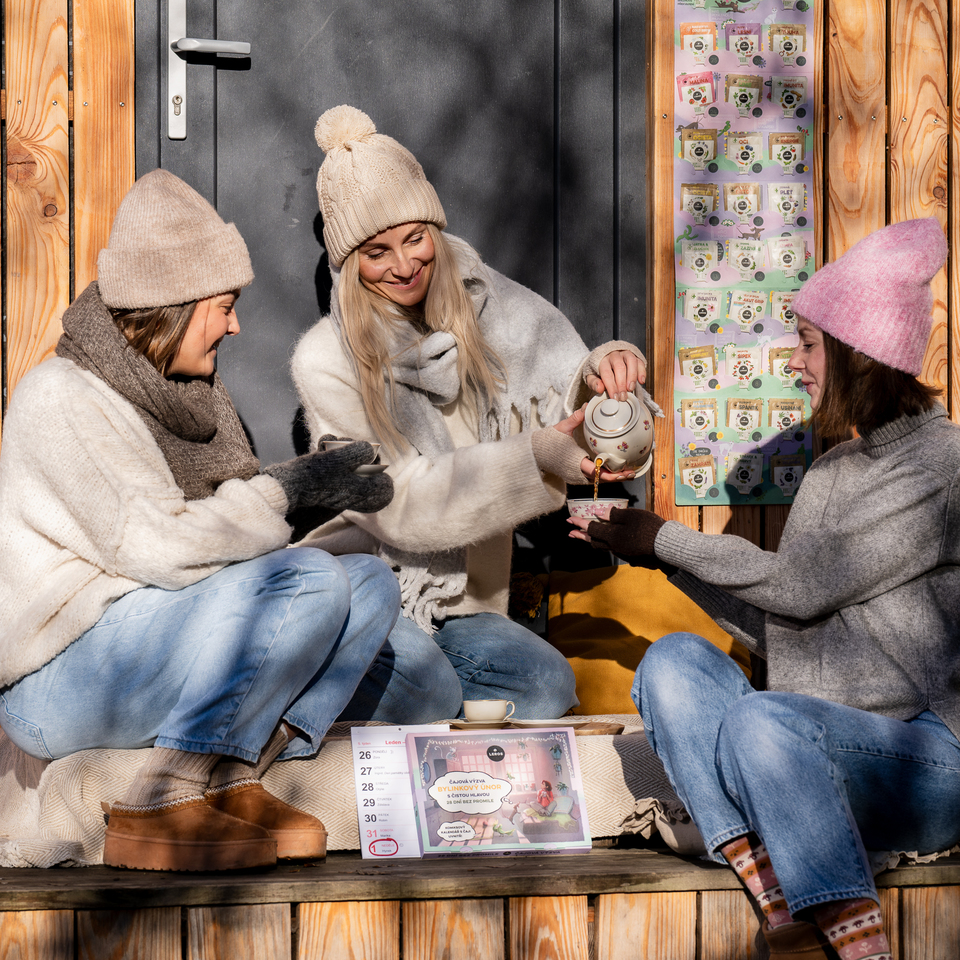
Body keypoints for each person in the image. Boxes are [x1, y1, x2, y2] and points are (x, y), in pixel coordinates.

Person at [569, 219, 960, 960]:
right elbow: (787, 622)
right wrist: (666, 562)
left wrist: (662, 537)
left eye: (810, 344)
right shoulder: (831, 472)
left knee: (763, 723)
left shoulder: (941, 469)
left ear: (860, 354)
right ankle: (784, 901)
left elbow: (804, 585)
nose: (796, 362)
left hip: (922, 765)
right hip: (798, 753)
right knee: (674, 665)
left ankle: (853, 943)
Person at [0, 170, 400, 873]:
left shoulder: (190, 398)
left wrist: (301, 491)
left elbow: (219, 543)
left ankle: (235, 780)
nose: (237, 325)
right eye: (223, 306)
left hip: (148, 636)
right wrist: (287, 491)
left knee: (368, 583)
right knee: (309, 581)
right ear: (170, 306)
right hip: (61, 673)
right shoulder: (61, 397)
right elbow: (159, 548)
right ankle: (163, 794)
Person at [291, 105, 653, 723]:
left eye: (415, 238)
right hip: (378, 590)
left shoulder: (491, 304)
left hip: (470, 604)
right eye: (377, 252)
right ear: (348, 264)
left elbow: (580, 398)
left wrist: (610, 377)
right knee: (428, 690)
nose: (405, 266)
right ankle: (339, 666)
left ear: (435, 228)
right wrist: (536, 456)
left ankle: (386, 691)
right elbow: (400, 506)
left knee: (544, 687)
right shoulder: (326, 358)